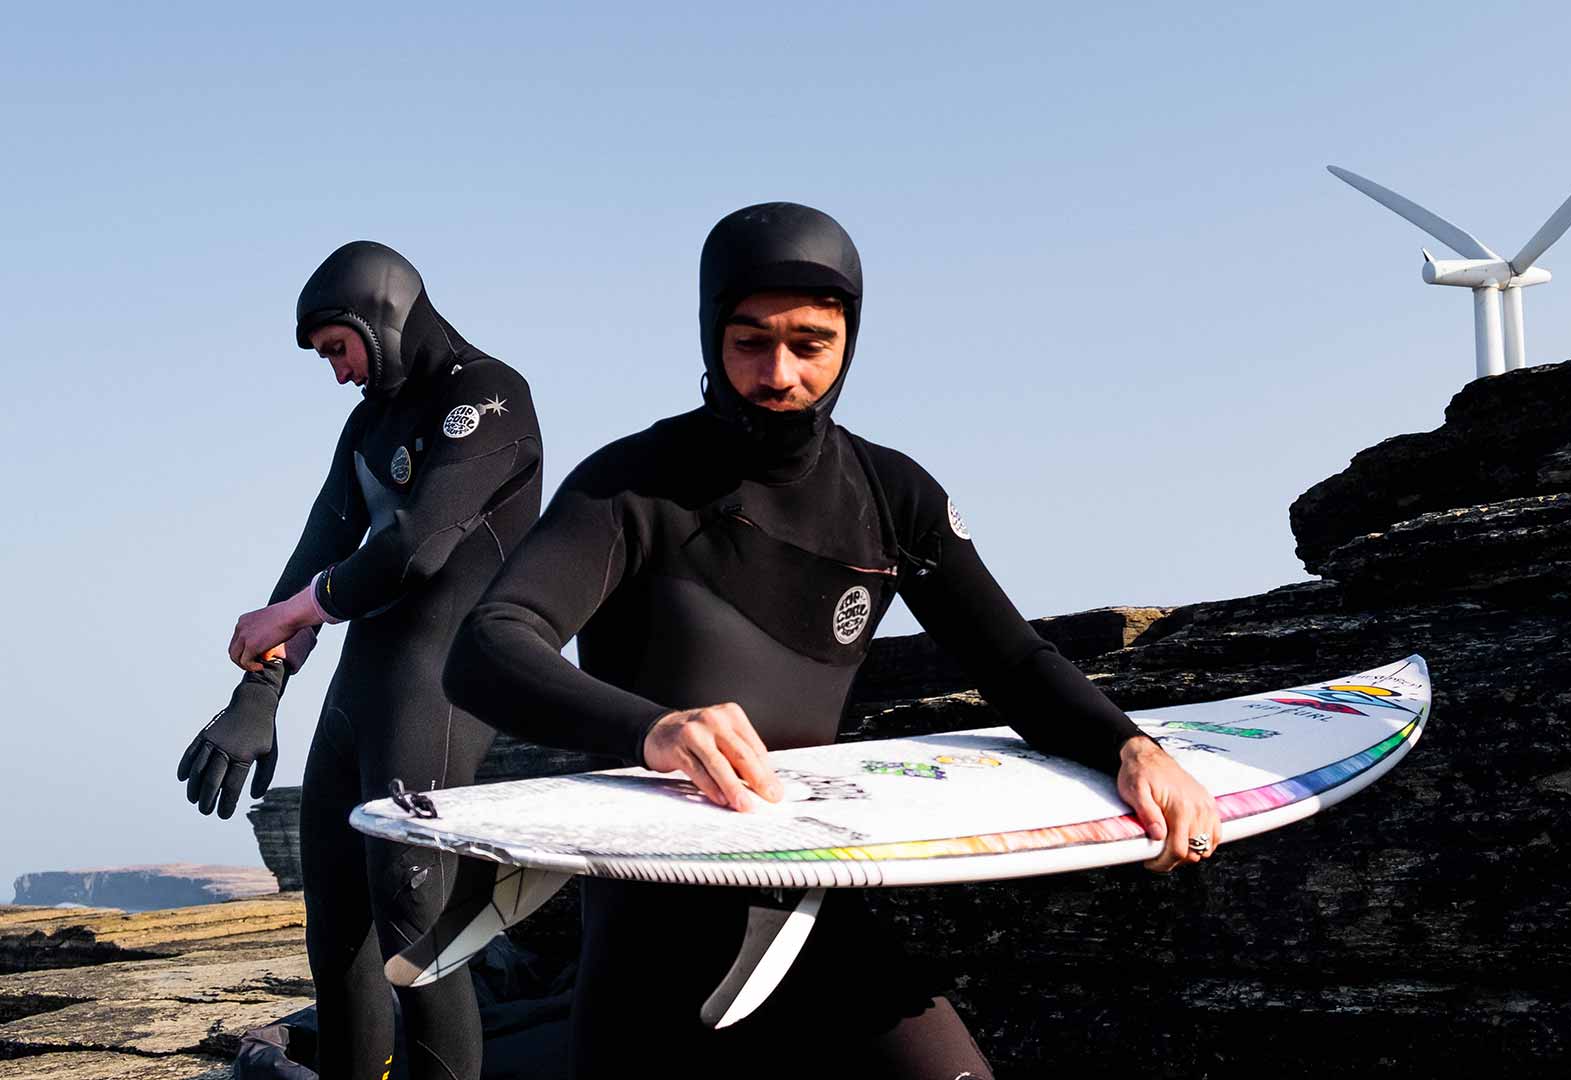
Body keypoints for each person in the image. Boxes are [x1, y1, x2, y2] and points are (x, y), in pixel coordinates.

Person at [441, 202, 1220, 1078]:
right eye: (749, 342)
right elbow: (489, 647)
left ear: (850, 339)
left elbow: (1011, 660)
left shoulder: (893, 495)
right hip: (651, 929)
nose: (779, 374)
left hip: (815, 902)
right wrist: (652, 730)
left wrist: (1129, 746)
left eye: (810, 343)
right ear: (709, 336)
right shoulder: (632, 485)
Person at [177, 241, 543, 1080]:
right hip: (362, 693)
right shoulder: (367, 425)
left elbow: (417, 546)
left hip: (440, 690)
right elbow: (320, 550)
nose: (337, 373)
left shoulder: (490, 396)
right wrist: (259, 692)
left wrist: (298, 612)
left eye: (338, 350)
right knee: (335, 935)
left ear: (381, 321)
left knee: (418, 938)